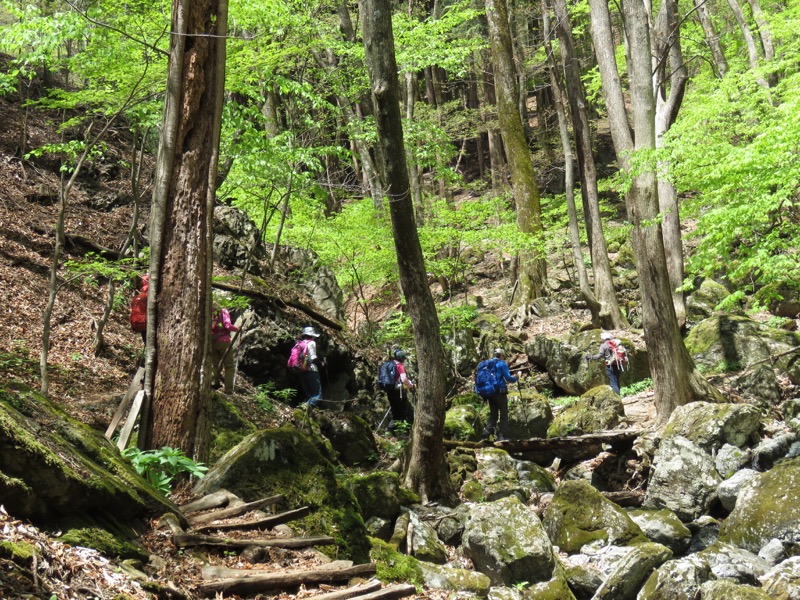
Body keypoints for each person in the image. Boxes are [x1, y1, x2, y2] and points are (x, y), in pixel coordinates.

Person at [479, 348, 517, 442]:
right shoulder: (502, 363)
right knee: (504, 414)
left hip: (489, 393)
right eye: (504, 356)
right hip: (500, 392)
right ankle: (501, 436)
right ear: (501, 355)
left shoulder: (487, 365)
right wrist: (516, 377)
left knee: (493, 415)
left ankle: (486, 434)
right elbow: (508, 378)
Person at [211, 303, 239, 394]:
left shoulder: (209, 311)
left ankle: (213, 383)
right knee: (229, 366)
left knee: (214, 364)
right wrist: (238, 329)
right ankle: (228, 390)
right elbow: (227, 325)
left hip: (212, 341)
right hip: (224, 341)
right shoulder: (223, 311)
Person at [294, 326, 324, 408]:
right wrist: (321, 363)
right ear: (312, 335)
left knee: (309, 394)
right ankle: (305, 407)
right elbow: (313, 358)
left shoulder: (299, 343)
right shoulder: (311, 343)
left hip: (301, 370)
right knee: (318, 394)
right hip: (312, 370)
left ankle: (306, 411)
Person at [385, 349, 415, 430]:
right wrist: (411, 385)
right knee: (401, 413)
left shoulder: (389, 365)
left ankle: (391, 432)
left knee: (395, 412)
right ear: (402, 358)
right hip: (398, 392)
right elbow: (404, 379)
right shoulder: (400, 366)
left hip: (389, 391)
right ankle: (393, 431)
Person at [129, 274, 149, 344]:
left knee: (146, 342)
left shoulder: (136, 297)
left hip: (137, 324)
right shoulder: (147, 295)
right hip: (145, 322)